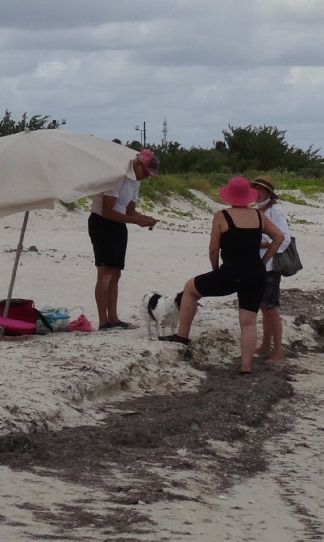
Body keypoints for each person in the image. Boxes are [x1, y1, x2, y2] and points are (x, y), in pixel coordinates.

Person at [161, 177, 284, 376]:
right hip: (255, 274)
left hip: (230, 273)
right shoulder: (258, 216)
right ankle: (246, 367)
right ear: (248, 195)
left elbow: (213, 248)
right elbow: (279, 237)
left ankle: (182, 335)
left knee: (190, 288)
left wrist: (215, 269)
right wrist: (264, 260)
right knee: (248, 322)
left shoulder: (222, 216)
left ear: (229, 195)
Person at [88, 148, 159, 329]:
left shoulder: (136, 180)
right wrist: (134, 220)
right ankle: (103, 321)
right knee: (105, 272)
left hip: (118, 224)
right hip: (101, 223)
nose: (146, 176)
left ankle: (114, 319)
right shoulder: (118, 176)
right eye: (146, 172)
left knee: (116, 273)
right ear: (137, 163)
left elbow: (129, 211)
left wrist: (142, 218)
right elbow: (106, 212)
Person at [252, 175, 291, 366]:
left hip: (269, 265)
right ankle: (266, 345)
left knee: (271, 308)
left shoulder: (276, 210)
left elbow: (284, 238)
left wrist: (263, 246)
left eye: (260, 189)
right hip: (259, 264)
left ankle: (278, 352)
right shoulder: (258, 210)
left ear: (269, 193)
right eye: (255, 188)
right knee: (263, 307)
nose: (257, 192)